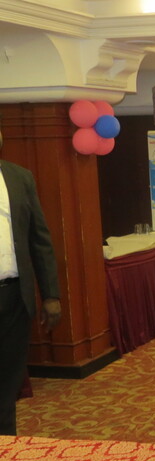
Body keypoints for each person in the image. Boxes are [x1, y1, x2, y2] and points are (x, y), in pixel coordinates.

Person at [0, 120, 61, 436]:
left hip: (14, 297)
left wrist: (51, 295)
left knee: (7, 382)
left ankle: (6, 448)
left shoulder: (20, 178)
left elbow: (39, 239)